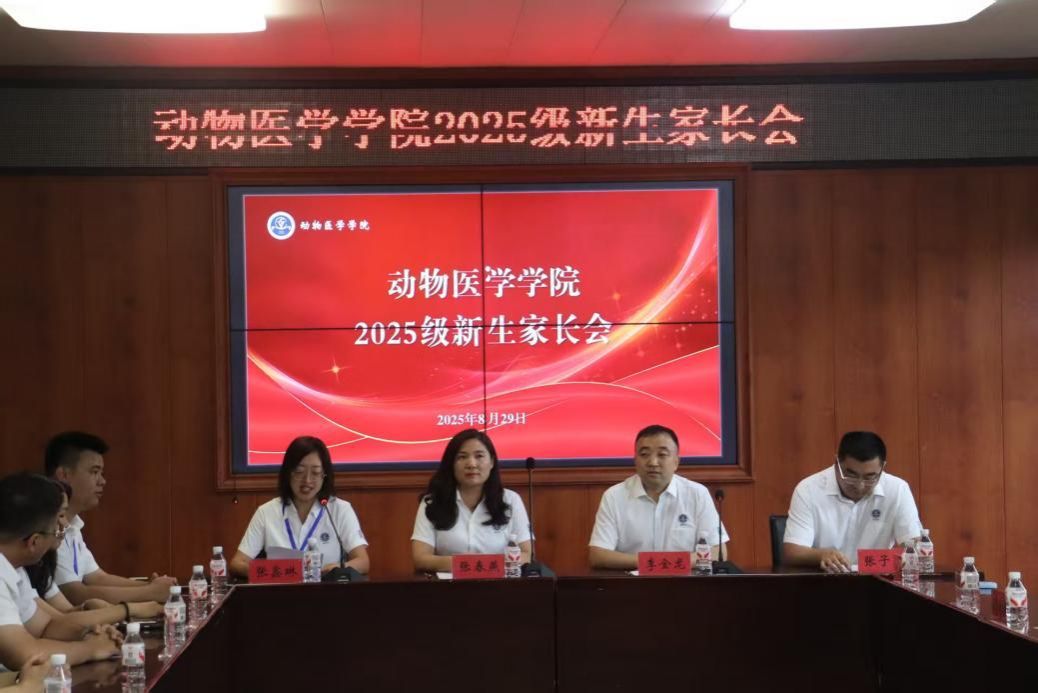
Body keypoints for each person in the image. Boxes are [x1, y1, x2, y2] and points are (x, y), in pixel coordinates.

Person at [0, 473, 121, 671]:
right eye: (56, 526)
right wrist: (91, 649)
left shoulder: (14, 567)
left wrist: (88, 633)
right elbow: (24, 655)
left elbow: (46, 627)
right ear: (34, 542)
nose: (62, 528)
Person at [43, 432, 177, 605]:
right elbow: (75, 594)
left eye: (101, 473)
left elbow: (97, 577)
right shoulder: (48, 528)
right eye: (94, 472)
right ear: (64, 475)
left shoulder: (73, 524)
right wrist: (150, 592)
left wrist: (150, 586)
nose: (102, 481)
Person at [588, 424, 728, 570]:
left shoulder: (697, 494)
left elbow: (718, 552)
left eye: (662, 455)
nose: (653, 463)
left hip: (685, 582)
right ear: (635, 460)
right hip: (632, 581)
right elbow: (598, 555)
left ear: (676, 462)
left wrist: (658, 564)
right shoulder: (614, 496)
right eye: (644, 454)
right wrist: (654, 563)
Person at [24, 481, 163, 626]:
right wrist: (129, 608)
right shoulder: (14, 571)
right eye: (60, 515)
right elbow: (55, 624)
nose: (65, 524)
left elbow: (65, 614)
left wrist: (88, 608)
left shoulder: (34, 568)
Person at [783, 431, 922, 573]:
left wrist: (904, 556)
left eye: (870, 477)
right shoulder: (808, 489)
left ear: (882, 467)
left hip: (877, 581)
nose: (860, 486)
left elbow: (914, 545)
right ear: (836, 463)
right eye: (851, 475)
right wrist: (821, 555)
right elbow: (792, 552)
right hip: (824, 579)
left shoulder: (897, 490)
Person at [230, 436, 369, 577]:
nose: (307, 480)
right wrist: (272, 572)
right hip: (280, 589)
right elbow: (237, 563)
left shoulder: (340, 510)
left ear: (324, 475)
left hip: (326, 588)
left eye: (315, 473)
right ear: (288, 473)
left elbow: (363, 562)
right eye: (299, 471)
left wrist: (338, 568)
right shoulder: (267, 512)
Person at [411, 429, 532, 573]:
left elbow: (527, 554)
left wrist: (480, 565)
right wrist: (473, 564)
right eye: (462, 457)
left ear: (492, 462)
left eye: (479, 456)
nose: (471, 464)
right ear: (451, 464)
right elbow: (421, 558)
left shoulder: (511, 500)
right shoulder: (433, 502)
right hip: (448, 585)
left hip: (499, 584)